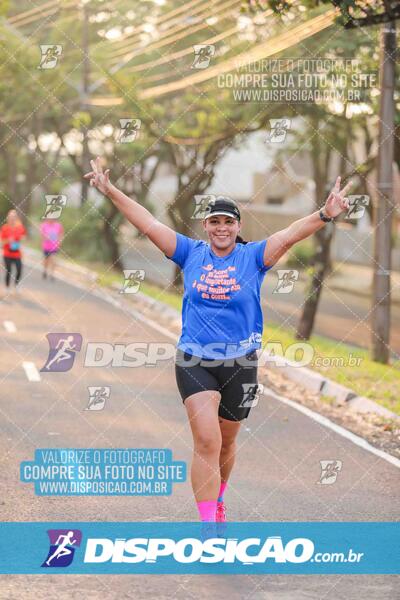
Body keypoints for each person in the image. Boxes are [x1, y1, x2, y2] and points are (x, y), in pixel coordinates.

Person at [84, 157, 351, 523]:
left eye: (228, 221)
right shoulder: (188, 252)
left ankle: (219, 495)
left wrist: (325, 213)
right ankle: (208, 525)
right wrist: (110, 190)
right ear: (206, 226)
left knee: (226, 443)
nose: (221, 227)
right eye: (214, 221)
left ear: (237, 226)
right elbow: (146, 222)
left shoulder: (253, 256)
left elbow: (290, 233)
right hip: (194, 360)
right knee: (207, 441)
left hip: (241, 363)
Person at [0, 209, 26, 295]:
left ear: (16, 218)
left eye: (14, 217)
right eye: (11, 217)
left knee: (19, 269)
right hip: (7, 253)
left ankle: (16, 285)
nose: (12, 219)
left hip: (17, 253)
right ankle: (7, 287)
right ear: (8, 218)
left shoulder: (20, 227)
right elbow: (1, 242)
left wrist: (22, 238)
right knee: (9, 270)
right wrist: (8, 240)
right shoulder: (4, 228)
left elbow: (24, 237)